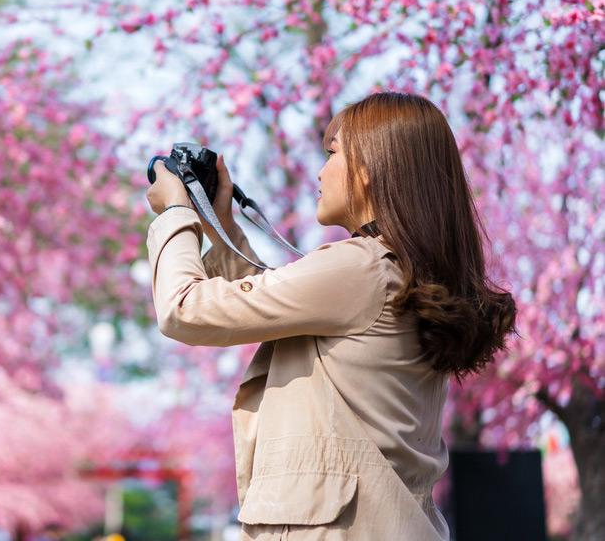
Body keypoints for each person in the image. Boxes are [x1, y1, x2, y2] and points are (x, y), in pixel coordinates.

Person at [145, 92, 516, 540]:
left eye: (332, 153)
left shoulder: (358, 268)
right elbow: (280, 305)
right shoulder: (394, 269)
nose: (320, 172)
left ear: (373, 166)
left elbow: (185, 309)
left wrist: (178, 213)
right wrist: (220, 227)